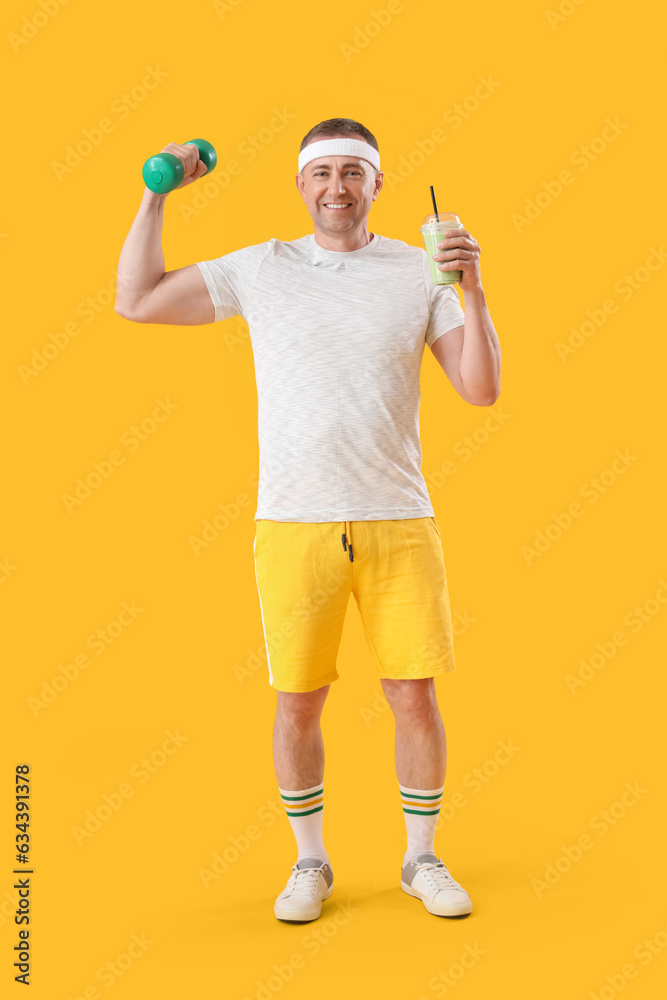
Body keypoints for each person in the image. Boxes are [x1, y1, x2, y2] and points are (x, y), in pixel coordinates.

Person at [115, 117, 500, 923]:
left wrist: (471, 287)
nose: (336, 188)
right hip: (292, 524)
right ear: (301, 185)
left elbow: (478, 388)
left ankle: (421, 859)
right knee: (296, 700)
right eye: (321, 173)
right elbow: (138, 300)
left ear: (375, 185)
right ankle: (311, 864)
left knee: (414, 695)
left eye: (352, 173)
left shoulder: (416, 270)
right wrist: (156, 197)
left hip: (399, 518)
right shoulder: (265, 268)